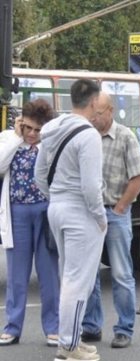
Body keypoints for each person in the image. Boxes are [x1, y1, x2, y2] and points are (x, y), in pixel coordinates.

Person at [35, 78, 106, 361]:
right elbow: (91, 185)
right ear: (93, 103)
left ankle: (70, 338)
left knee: (69, 275)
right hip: (81, 211)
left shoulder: (51, 129)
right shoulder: (88, 135)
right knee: (79, 280)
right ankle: (69, 345)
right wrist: (100, 216)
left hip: (57, 206)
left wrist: (54, 195)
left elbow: (40, 174)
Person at [80, 92, 140, 349]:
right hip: (89, 213)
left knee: (121, 273)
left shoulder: (125, 137)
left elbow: (139, 177)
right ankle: (91, 326)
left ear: (110, 111)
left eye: (97, 113)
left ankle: (124, 329)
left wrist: (120, 207)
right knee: (89, 274)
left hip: (114, 212)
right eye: (91, 113)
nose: (93, 118)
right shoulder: (87, 137)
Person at [0, 99, 59, 347]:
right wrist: (16, 137)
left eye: (38, 129)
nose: (33, 134)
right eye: (29, 128)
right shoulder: (8, 139)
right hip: (17, 211)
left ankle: (53, 327)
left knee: (49, 274)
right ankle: (12, 326)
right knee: (16, 274)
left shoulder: (51, 143)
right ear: (21, 124)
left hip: (44, 211)